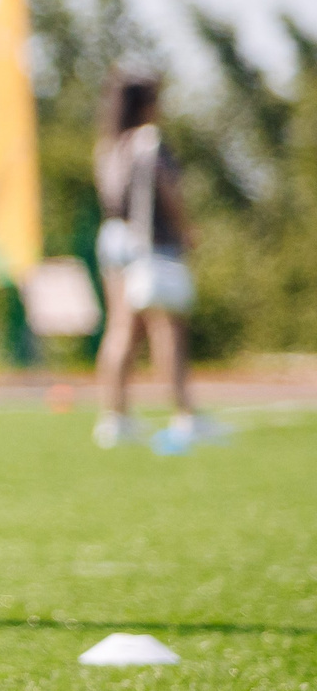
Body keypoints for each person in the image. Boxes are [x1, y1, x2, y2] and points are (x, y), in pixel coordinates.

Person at [94, 73, 217, 453]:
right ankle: (185, 415)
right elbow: (167, 189)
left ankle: (115, 418)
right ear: (147, 103)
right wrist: (185, 229)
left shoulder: (107, 145)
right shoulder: (148, 141)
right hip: (148, 241)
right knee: (168, 328)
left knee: (120, 331)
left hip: (113, 236)